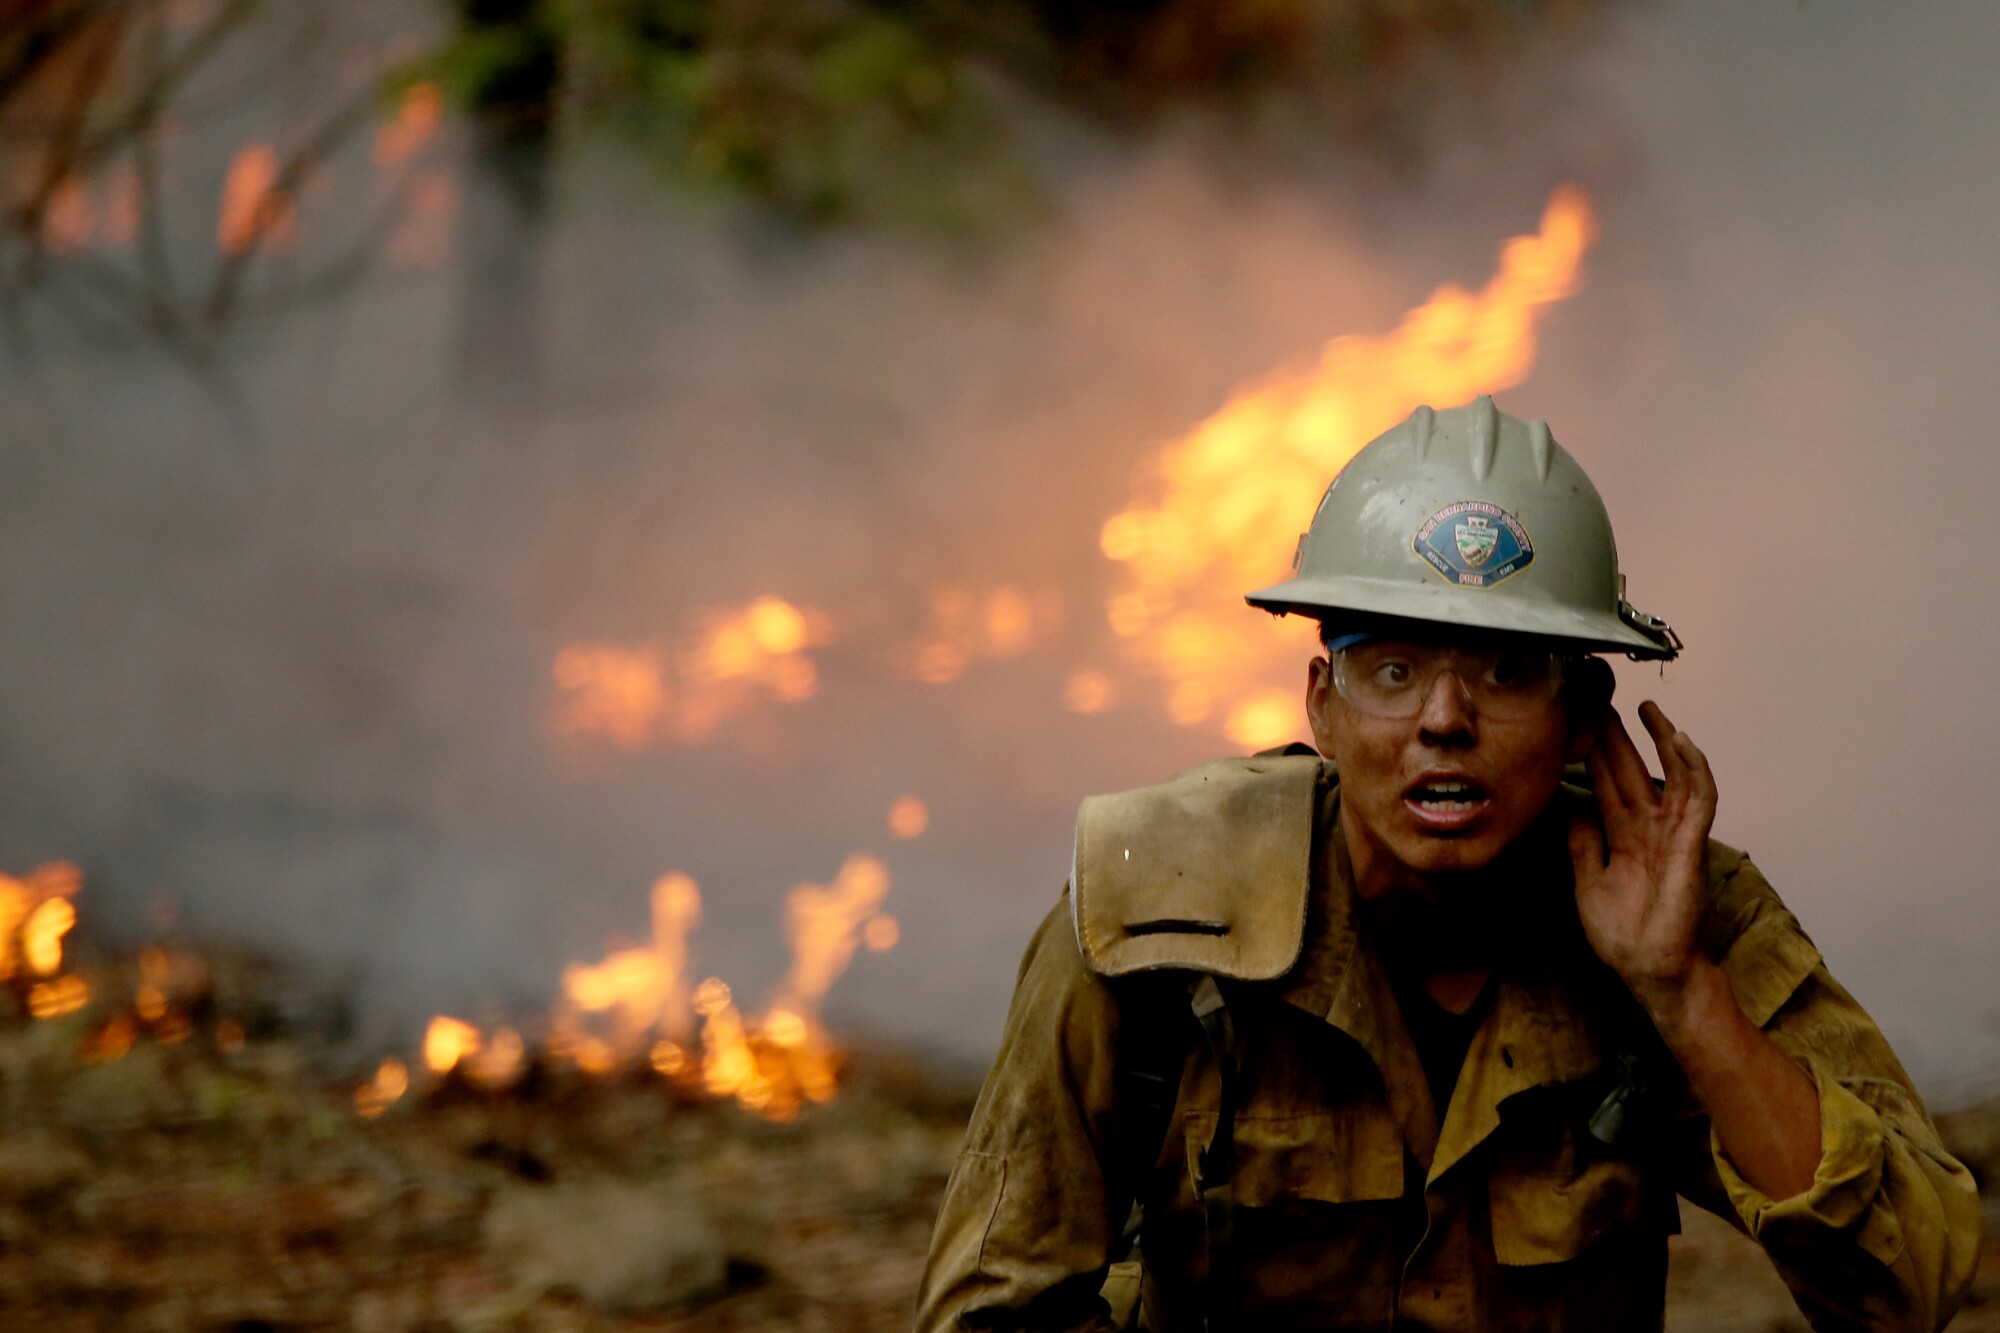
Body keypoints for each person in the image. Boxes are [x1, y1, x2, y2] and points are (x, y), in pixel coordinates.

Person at [914, 398, 1981, 1332]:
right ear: (1319, 709)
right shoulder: (1155, 914)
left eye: (1506, 672)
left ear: (1576, 721)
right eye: (1391, 667)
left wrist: (1681, 997)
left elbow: (1907, 1280)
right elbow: (991, 1309)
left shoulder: (1679, 906)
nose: (1442, 721)